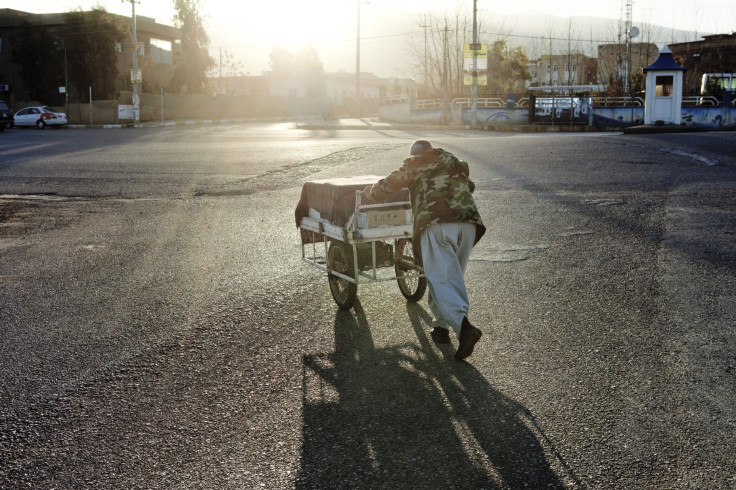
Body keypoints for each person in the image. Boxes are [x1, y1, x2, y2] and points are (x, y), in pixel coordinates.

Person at [362, 140, 486, 361]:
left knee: (442, 278)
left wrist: (371, 194)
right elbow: (470, 187)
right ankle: (440, 327)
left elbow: (387, 186)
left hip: (436, 223)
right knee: (448, 277)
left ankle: (464, 328)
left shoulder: (414, 163)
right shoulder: (454, 162)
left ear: (414, 154)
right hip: (468, 223)